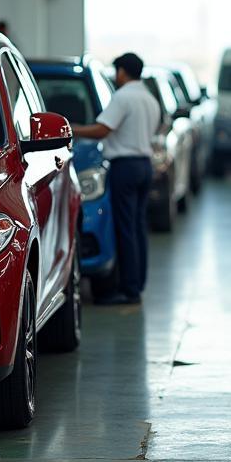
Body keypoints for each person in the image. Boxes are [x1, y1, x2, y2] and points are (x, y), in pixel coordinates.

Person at [70, 52, 161, 305]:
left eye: (116, 71)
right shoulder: (149, 98)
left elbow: (102, 130)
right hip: (144, 164)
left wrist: (72, 127)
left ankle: (128, 289)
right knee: (138, 227)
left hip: (125, 167)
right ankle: (137, 283)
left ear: (122, 72)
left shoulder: (123, 97)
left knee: (125, 228)